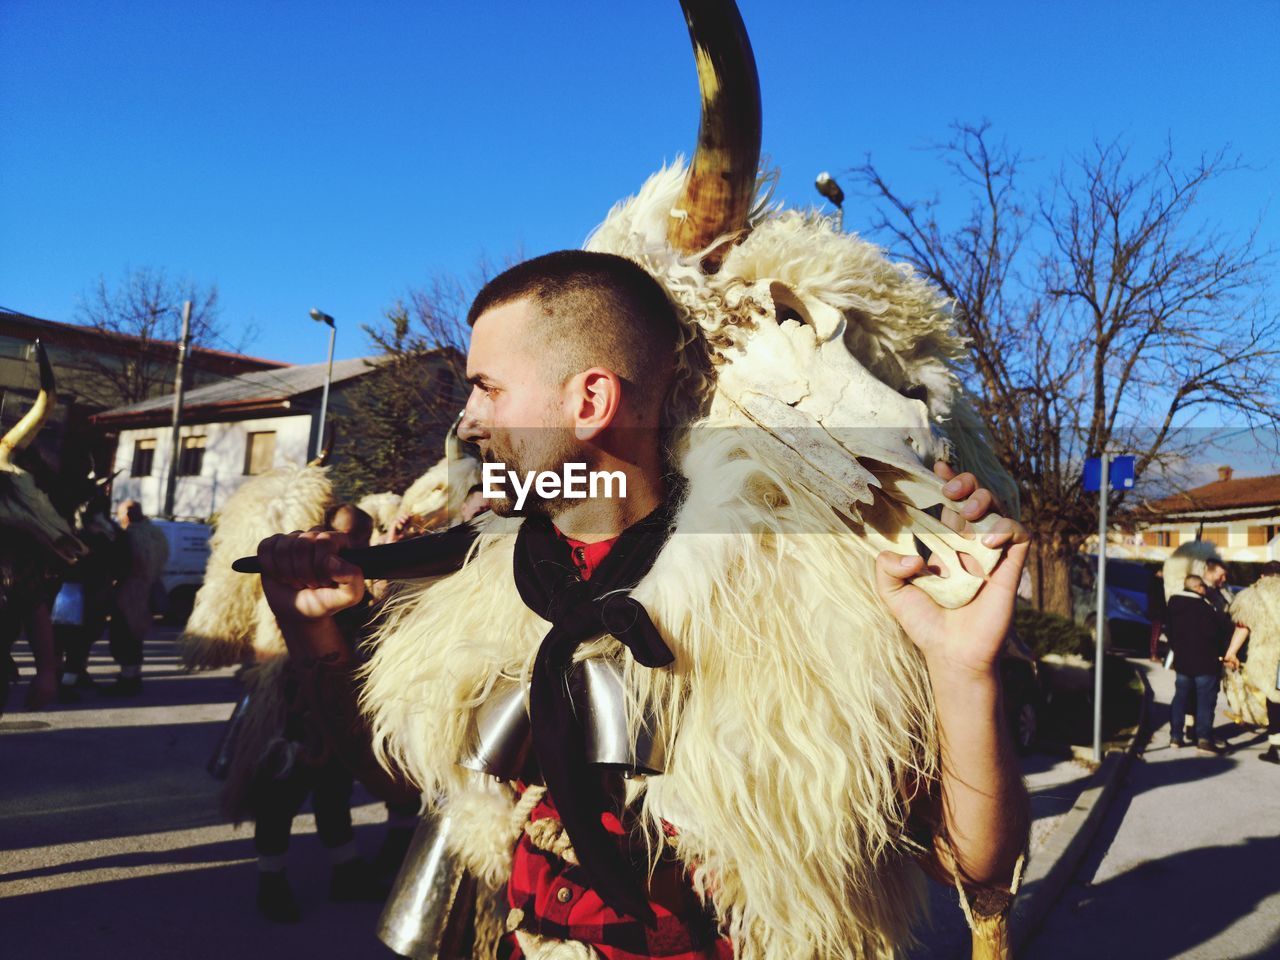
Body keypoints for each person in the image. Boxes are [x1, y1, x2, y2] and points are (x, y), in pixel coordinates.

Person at [254, 251, 1030, 959]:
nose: (469, 420)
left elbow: (972, 867)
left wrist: (964, 671)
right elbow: (407, 783)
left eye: (488, 388)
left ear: (590, 400)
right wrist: (308, 627)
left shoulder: (799, 597)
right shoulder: (482, 583)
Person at [252, 503, 389, 923]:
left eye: (364, 536)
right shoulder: (299, 577)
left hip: (340, 715)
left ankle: (345, 871)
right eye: (348, 536)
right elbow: (274, 651)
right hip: (294, 716)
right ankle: (270, 881)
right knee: (279, 800)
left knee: (333, 795)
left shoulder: (367, 586)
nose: (358, 545)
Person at [104, 499, 168, 697]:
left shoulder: (129, 535)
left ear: (128, 514)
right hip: (148, 591)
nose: (119, 517)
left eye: (120, 513)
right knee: (136, 637)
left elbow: (121, 565)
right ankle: (133, 677)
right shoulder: (157, 533)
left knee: (124, 637)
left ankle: (128, 680)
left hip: (129, 594)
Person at [1166, 574, 1234, 753]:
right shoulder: (1204, 608)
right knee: (1205, 700)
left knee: (1180, 698)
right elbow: (1218, 632)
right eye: (1203, 586)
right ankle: (1203, 738)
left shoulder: (1173, 605)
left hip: (1182, 661)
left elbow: (1169, 632)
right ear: (1198, 587)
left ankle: (1175, 736)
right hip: (1206, 662)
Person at [1223, 560, 1280, 763]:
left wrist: (1231, 653)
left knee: (1275, 700)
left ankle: (1276, 746)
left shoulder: (1251, 596)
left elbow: (1242, 627)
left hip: (1269, 658)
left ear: (1262, 576)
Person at [1147, 568, 1166, 662]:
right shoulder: (1157, 583)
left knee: (1156, 633)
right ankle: (1153, 654)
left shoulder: (1154, 583)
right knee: (1156, 633)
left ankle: (1154, 653)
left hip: (1156, 611)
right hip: (1157, 611)